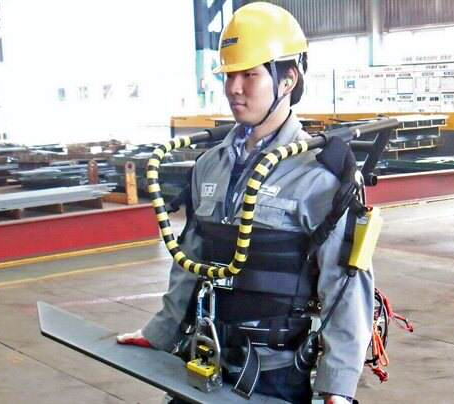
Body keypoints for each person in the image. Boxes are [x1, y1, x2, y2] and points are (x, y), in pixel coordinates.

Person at [117, 3, 373, 403]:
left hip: (274, 376)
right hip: (204, 359)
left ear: (288, 79)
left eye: (249, 74)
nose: (234, 88)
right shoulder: (209, 165)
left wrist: (336, 387)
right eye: (229, 75)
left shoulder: (320, 178)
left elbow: (344, 286)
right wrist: (160, 332)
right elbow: (189, 259)